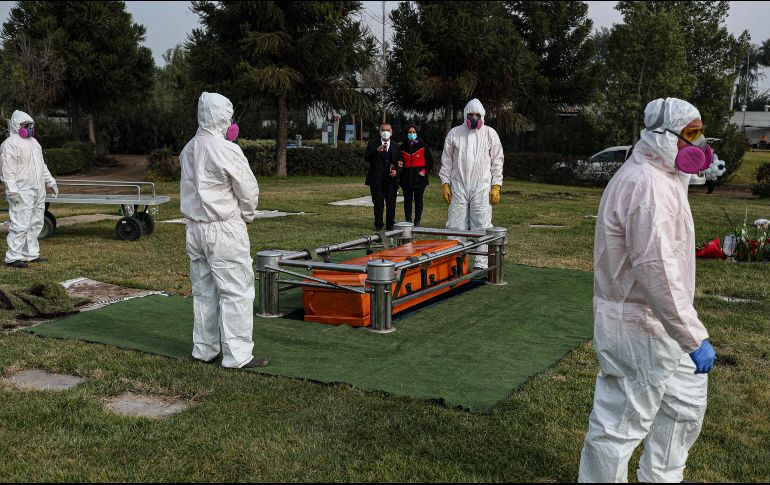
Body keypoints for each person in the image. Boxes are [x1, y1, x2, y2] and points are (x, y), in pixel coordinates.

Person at [578, 98, 717, 483]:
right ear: (663, 135)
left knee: (684, 407)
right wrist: (692, 337)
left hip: (662, 326)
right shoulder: (646, 186)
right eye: (691, 134)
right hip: (638, 325)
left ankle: (662, 477)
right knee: (618, 425)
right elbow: (657, 271)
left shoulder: (664, 175)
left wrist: (683, 334)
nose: (699, 142)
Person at [180, 92, 268, 369]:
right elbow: (248, 190)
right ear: (221, 117)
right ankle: (238, 355)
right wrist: (247, 217)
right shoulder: (227, 150)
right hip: (224, 228)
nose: (231, 121)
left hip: (194, 228)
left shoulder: (188, 149)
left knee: (204, 291)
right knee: (236, 291)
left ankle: (204, 350)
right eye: (228, 116)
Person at [439, 99, 504, 270]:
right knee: (455, 226)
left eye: (477, 115)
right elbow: (446, 160)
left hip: (481, 186)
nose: (474, 118)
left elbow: (498, 160)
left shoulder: (490, 134)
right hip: (458, 185)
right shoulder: (455, 133)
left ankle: (481, 264)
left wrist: (496, 185)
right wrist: (445, 183)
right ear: (465, 116)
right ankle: (455, 264)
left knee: (481, 225)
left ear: (482, 116)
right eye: (470, 115)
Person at [1, 110, 58, 269]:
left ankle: (30, 254)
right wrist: (12, 191)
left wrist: (50, 181)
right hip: (21, 190)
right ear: (17, 126)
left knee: (35, 223)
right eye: (26, 126)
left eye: (30, 125)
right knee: (20, 224)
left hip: (38, 189)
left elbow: (42, 165)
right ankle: (13, 257)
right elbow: (8, 171)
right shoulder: (10, 144)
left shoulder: (34, 143)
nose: (30, 129)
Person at [364, 123, 402, 231]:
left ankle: (390, 225)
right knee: (378, 203)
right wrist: (376, 151)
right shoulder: (373, 143)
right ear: (380, 131)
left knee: (391, 204)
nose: (386, 132)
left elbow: (400, 163)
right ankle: (378, 225)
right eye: (383, 130)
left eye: (388, 130)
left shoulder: (396, 146)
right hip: (376, 179)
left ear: (391, 131)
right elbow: (366, 157)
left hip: (391, 180)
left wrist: (396, 172)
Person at [399, 125, 434, 227]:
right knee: (408, 201)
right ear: (407, 134)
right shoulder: (402, 147)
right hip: (406, 179)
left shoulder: (423, 146)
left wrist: (424, 171)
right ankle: (408, 221)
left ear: (417, 133)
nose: (412, 133)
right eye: (410, 132)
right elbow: (399, 161)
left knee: (419, 200)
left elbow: (430, 162)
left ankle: (417, 221)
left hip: (420, 179)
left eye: (413, 132)